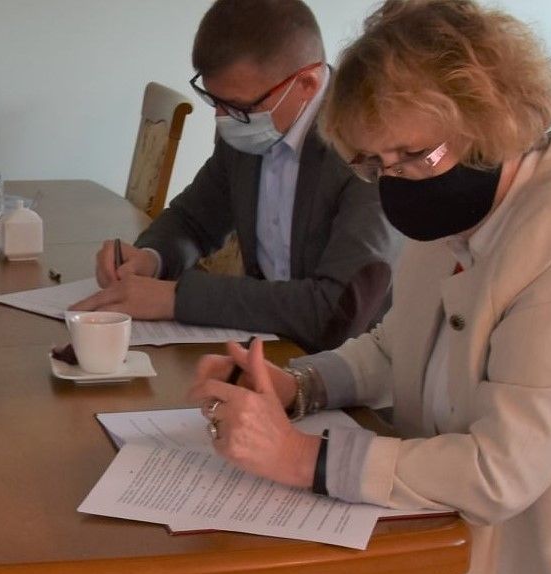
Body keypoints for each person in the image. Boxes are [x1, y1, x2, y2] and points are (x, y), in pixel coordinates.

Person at [188, 0, 551, 574]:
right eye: (374, 164)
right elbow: (395, 345)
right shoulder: (458, 209)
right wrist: (298, 385)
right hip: (435, 547)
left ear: (488, 118)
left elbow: (498, 472)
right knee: (264, 562)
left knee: (283, 572)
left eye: (412, 156)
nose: (396, 182)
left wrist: (302, 458)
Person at [72, 0, 401, 353]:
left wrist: (177, 298)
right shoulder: (249, 128)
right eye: (214, 100)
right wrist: (151, 258)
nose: (222, 118)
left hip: (348, 363)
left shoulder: (368, 146)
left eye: (240, 107)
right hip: (265, 347)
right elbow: (194, 220)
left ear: (306, 84)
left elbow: (335, 309)